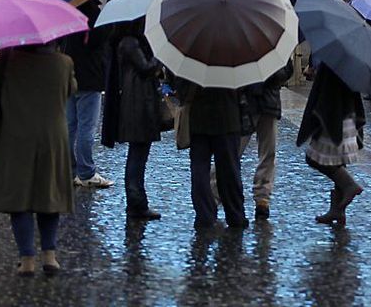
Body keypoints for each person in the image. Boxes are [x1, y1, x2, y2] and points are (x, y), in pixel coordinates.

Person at [0, 44, 76, 276]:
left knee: (19, 197)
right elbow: (71, 90)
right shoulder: (64, 63)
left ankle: (27, 259)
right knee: (49, 195)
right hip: (52, 138)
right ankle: (50, 256)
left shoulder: (7, 61)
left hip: (16, 137)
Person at [216, 60, 294, 220]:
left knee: (268, 152)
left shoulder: (274, 40)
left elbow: (287, 70)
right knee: (231, 152)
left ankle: (262, 199)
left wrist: (268, 75)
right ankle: (214, 193)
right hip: (245, 103)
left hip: (268, 101)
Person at [102, 19, 162, 220]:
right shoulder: (131, 43)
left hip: (136, 104)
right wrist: (158, 58)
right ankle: (136, 203)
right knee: (137, 156)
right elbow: (145, 68)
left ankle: (137, 202)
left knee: (138, 156)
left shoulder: (127, 42)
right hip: (138, 106)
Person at [297, 64, 366, 226]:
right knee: (338, 161)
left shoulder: (335, 59)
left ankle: (349, 185)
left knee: (314, 158)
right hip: (346, 114)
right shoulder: (349, 58)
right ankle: (337, 210)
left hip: (333, 119)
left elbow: (328, 91)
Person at [179, 79, 248, 230]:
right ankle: (235, 215)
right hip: (227, 115)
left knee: (199, 169)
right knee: (228, 170)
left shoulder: (192, 55)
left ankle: (204, 215)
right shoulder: (233, 55)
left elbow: (178, 81)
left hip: (199, 117)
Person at [63, 0, 114, 188]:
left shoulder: (69, 14)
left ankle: (70, 169)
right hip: (90, 79)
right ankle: (86, 172)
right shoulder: (94, 16)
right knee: (87, 128)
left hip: (70, 77)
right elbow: (100, 41)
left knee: (70, 126)